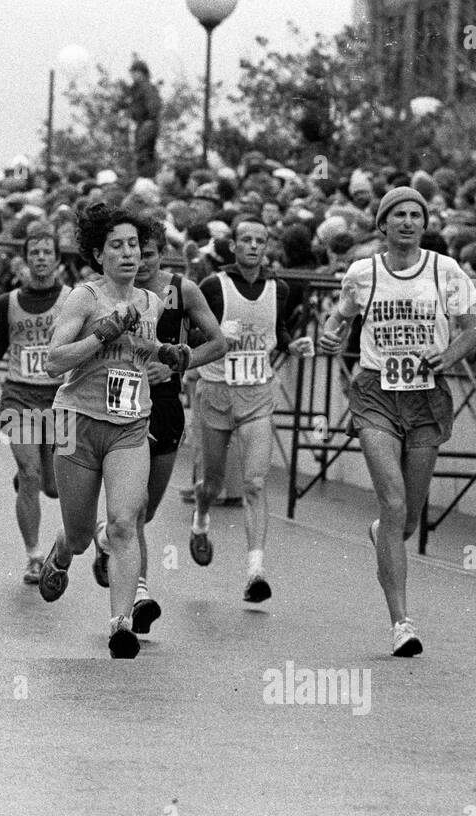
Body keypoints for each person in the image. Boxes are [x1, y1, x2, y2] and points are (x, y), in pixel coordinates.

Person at [318, 186, 476, 657]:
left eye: (416, 214)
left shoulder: (445, 270)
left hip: (426, 397)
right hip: (375, 394)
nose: (408, 222)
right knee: (392, 504)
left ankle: (383, 535)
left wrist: (444, 355)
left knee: (406, 518)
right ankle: (401, 623)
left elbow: (472, 329)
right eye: (399, 215)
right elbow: (340, 318)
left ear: (424, 224)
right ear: (383, 224)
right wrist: (331, 337)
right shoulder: (362, 272)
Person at [38, 203, 190, 659]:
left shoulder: (151, 302)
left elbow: (139, 350)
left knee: (126, 522)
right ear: (99, 255)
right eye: (118, 247)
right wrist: (100, 334)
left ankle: (120, 623)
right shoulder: (84, 298)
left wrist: (165, 352)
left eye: (135, 247)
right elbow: (53, 362)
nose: (130, 255)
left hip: (128, 425)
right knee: (81, 533)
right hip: (76, 421)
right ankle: (64, 551)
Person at [88, 220, 224, 631]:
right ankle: (140, 594)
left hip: (164, 403)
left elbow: (217, 342)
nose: (138, 261)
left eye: (147, 253)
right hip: (119, 401)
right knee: (136, 508)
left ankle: (106, 537)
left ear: (162, 254)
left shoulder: (181, 290)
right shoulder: (102, 292)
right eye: (130, 251)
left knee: (144, 509)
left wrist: (178, 361)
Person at [189, 219, 316, 602]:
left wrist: (291, 346)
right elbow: (192, 334)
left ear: (267, 247)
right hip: (216, 392)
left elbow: (275, 332)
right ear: (233, 246)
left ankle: (255, 571)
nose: (253, 246)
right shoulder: (214, 286)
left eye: (260, 241)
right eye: (246, 239)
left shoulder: (280, 288)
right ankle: (201, 516)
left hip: (258, 393)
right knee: (211, 484)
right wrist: (212, 339)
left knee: (255, 483)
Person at [0, 228, 71, 583]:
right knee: (31, 475)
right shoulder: (7, 303)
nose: (41, 258)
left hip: (60, 399)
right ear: (26, 260)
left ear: (58, 260)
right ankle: (33, 556)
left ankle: (29, 471)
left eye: (47, 252)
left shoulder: (73, 299)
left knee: (55, 488)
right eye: (35, 253)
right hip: (20, 395)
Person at [120, 58, 162, 180]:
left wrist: (149, 120)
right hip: (140, 123)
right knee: (142, 154)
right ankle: (144, 177)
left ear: (141, 72)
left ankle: (146, 178)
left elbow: (153, 105)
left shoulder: (146, 87)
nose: (132, 75)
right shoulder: (136, 88)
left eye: (134, 72)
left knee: (144, 154)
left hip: (146, 123)